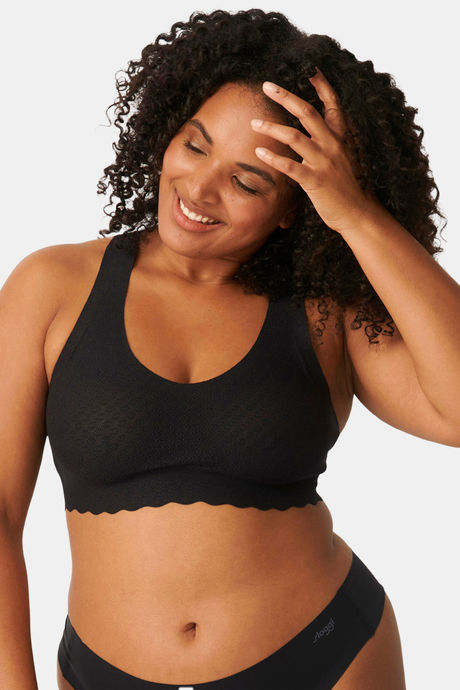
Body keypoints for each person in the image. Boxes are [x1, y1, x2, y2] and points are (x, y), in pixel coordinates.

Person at [1, 8, 459, 690]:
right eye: (195, 146)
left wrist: (357, 215)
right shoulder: (51, 286)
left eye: (248, 182)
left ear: (294, 205)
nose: (200, 189)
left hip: (325, 658)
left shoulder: (324, 312)